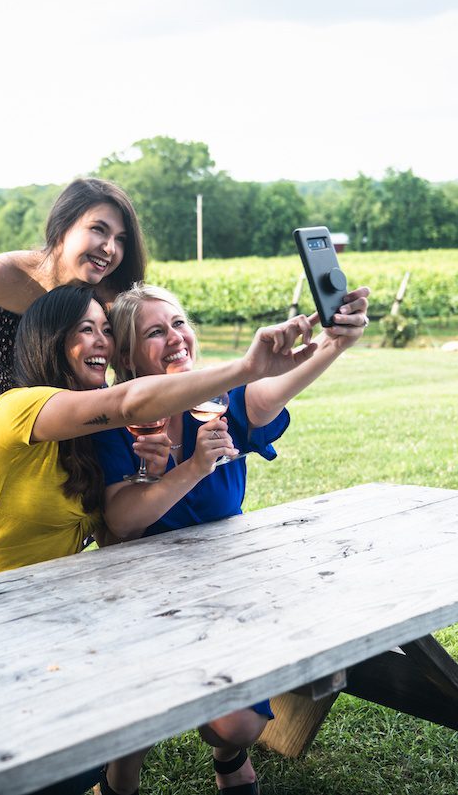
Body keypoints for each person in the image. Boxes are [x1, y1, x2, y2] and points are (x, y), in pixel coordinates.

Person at [0, 284, 318, 795]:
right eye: (85, 330)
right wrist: (247, 367)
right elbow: (127, 400)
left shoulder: (85, 438)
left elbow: (114, 529)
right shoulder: (19, 408)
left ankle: (124, 778)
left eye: (106, 331)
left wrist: (146, 472)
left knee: (69, 759)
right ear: (50, 341)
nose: (101, 343)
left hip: (47, 610)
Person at [90, 282, 370, 795]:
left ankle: (228, 755)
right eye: (155, 332)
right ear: (127, 358)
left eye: (178, 323)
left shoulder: (219, 405)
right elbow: (124, 522)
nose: (176, 338)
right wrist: (192, 467)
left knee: (238, 724)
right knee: (135, 684)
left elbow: (266, 395)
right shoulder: (116, 422)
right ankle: (122, 770)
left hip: (222, 587)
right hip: (140, 595)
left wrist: (334, 344)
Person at [0, 178, 148, 529]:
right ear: (62, 226)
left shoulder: (112, 296)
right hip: (13, 429)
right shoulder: (2, 275)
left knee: (83, 529)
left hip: (84, 426)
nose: (110, 248)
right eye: (99, 230)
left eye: (120, 239)